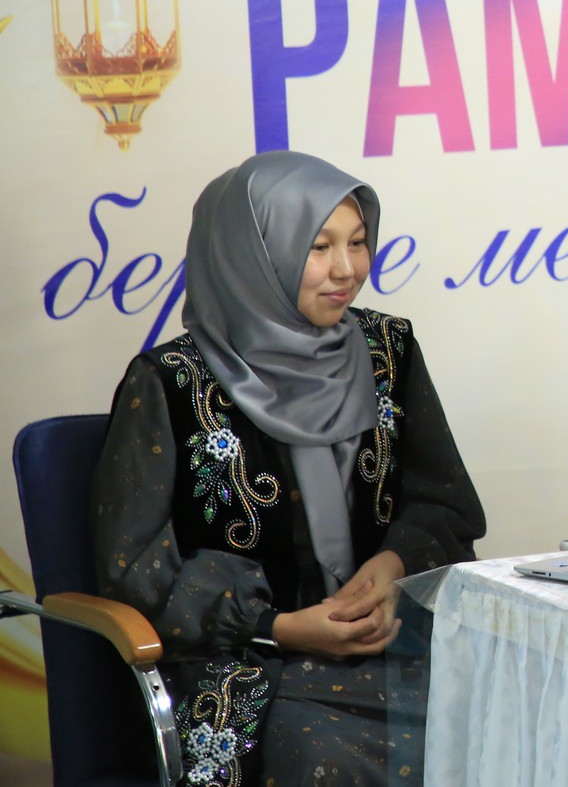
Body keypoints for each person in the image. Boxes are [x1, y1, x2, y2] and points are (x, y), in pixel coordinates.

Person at [92, 151, 485, 786]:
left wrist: (392, 569)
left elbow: (444, 503)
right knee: (325, 756)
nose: (346, 269)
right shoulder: (169, 383)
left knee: (509, 710)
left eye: (357, 242)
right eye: (318, 247)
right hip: (245, 664)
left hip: (391, 645)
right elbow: (132, 567)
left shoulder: (388, 350)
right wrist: (278, 626)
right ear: (251, 253)